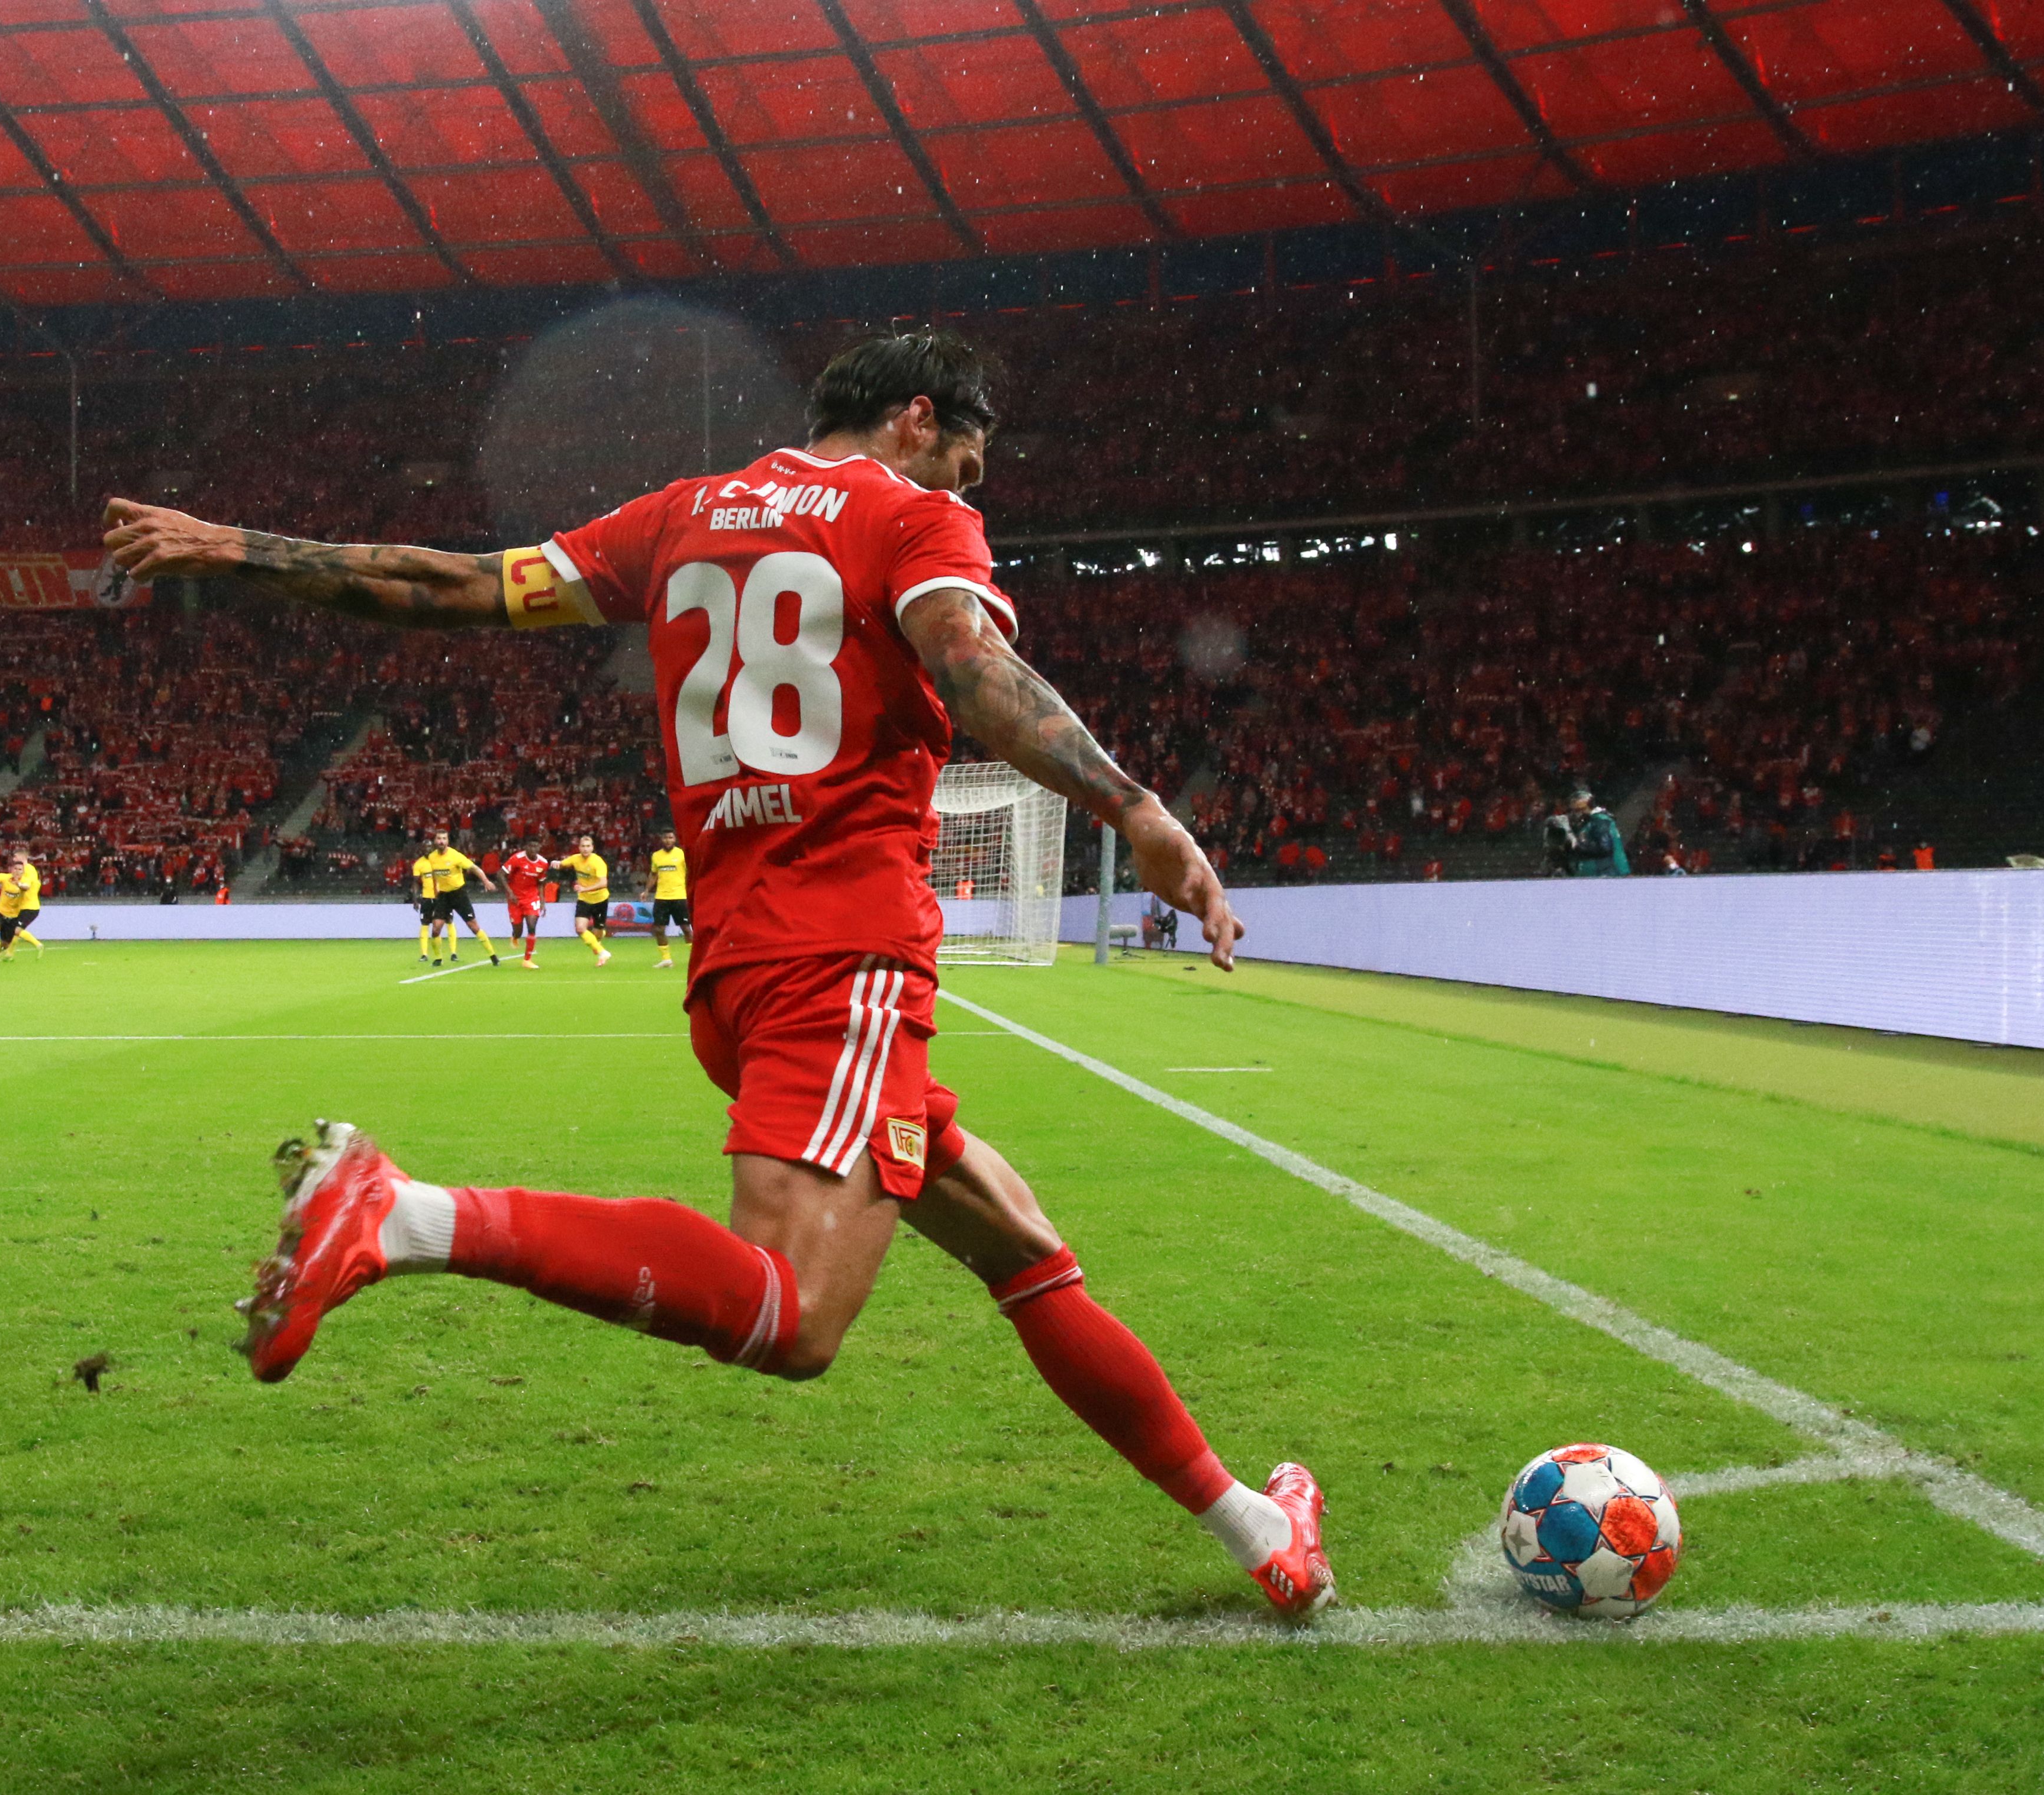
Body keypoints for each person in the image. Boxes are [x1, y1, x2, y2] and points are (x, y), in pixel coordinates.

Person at [100, 327, 1333, 1618]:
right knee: (793, 1317)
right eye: (963, 464)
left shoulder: (677, 519)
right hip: (842, 952)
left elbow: (452, 585)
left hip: (739, 964)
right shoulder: (909, 517)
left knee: (1024, 1252)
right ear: (916, 420)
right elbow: (973, 670)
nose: (965, 493)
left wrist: (242, 547)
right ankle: (403, 1214)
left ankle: (1258, 1530)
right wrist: (1138, 808)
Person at [414, 829, 499, 967]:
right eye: (439, 839)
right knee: (436, 929)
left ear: (448, 841)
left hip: (459, 894)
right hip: (443, 896)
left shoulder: (455, 856)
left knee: (474, 927)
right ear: (435, 841)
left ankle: (493, 956)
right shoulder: (432, 857)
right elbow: (436, 876)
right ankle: (438, 959)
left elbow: (475, 869)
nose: (441, 841)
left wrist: (486, 882)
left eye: (444, 839)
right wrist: (437, 890)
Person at [553, 834, 612, 968]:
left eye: (588, 846)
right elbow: (563, 864)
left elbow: (603, 883)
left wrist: (585, 889)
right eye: (583, 846)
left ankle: (600, 946)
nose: (586, 849)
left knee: (597, 936)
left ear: (592, 847)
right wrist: (557, 863)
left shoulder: (598, 862)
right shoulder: (576, 859)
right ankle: (603, 953)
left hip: (600, 900)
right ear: (579, 847)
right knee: (580, 929)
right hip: (584, 900)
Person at [499, 837, 552, 968]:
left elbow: (541, 884)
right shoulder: (517, 859)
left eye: (536, 846)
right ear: (526, 847)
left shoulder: (543, 863)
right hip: (515, 899)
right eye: (531, 846)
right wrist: (510, 893)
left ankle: (527, 960)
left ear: (539, 847)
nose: (534, 849)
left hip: (532, 898)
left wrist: (543, 902)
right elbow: (500, 874)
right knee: (518, 930)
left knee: (532, 927)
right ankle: (515, 936)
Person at [644, 828, 689, 971]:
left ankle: (696, 959)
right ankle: (666, 960)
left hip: (679, 897)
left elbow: (690, 873)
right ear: (661, 839)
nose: (668, 840)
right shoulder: (657, 856)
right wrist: (647, 891)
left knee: (686, 929)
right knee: (659, 929)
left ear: (675, 839)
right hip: (662, 897)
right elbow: (653, 874)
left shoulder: (682, 854)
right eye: (665, 838)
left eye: (671, 837)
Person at [1563, 787, 1629, 878]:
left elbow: (1605, 848)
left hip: (1606, 875)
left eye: (1580, 810)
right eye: (1574, 811)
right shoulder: (1589, 822)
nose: (1576, 814)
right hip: (1597, 875)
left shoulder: (1600, 821)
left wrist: (1576, 846)